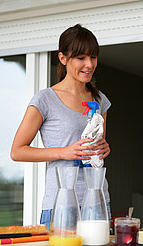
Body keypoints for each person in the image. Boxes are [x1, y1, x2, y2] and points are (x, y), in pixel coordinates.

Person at [11, 24, 111, 229]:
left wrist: (105, 148)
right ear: (63, 58)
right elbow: (17, 151)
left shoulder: (99, 100)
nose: (89, 64)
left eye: (93, 57)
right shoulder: (45, 99)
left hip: (98, 198)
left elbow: (97, 147)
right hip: (61, 202)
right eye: (81, 58)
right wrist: (64, 152)